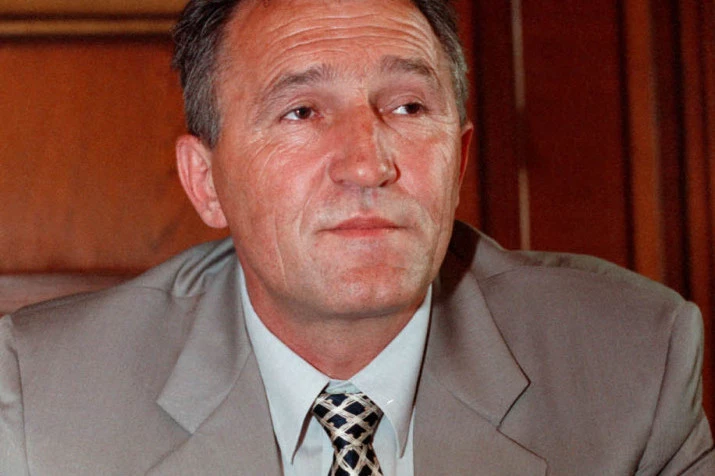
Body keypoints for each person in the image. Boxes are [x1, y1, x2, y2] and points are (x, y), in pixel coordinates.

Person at [1, 0, 713, 474]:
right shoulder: (44, 400)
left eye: (407, 106)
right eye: (302, 112)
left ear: (459, 161)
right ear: (205, 181)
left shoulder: (632, 361)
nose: (369, 164)